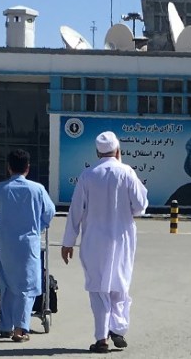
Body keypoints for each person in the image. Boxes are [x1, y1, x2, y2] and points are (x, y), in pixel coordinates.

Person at [61, 131, 148, 353]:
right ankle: (118, 327)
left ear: (97, 153)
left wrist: (68, 242)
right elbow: (140, 206)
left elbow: (75, 211)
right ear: (118, 151)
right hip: (122, 239)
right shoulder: (127, 172)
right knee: (120, 283)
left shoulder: (88, 175)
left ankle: (102, 339)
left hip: (94, 241)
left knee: (98, 288)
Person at [0, 149, 56, 343]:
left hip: (4, 242)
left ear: (8, 167)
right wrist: (38, 226)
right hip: (28, 242)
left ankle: (5, 325)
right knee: (26, 285)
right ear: (28, 168)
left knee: (7, 282)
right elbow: (49, 212)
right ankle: (21, 328)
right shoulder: (37, 189)